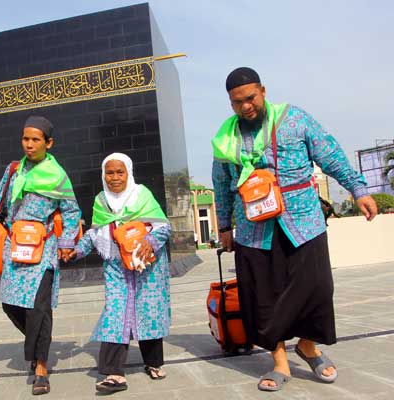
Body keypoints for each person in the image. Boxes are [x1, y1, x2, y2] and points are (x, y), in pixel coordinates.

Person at [211, 67, 377, 392]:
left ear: (263, 91)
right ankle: (279, 361)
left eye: (250, 98)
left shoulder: (294, 119)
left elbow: (329, 154)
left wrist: (358, 189)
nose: (246, 107)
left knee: (318, 288)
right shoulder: (225, 138)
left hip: (303, 221)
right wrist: (226, 226)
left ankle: (309, 346)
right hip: (253, 229)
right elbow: (221, 184)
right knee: (263, 298)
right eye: (236, 102)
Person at [0, 115, 81, 396]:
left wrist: (66, 242)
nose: (29, 144)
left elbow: (72, 211)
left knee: (39, 309)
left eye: (36, 139)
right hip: (13, 248)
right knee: (10, 306)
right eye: (26, 138)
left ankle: (41, 367)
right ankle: (39, 344)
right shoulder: (13, 171)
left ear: (49, 143)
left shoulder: (58, 176)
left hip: (44, 249)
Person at [68, 153, 172, 394]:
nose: (114, 177)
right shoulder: (100, 200)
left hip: (147, 265)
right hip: (116, 266)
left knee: (148, 310)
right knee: (115, 312)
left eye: (119, 172)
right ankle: (114, 373)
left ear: (129, 173)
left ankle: (154, 362)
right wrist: (76, 252)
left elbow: (163, 225)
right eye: (110, 172)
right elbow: (95, 233)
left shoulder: (142, 194)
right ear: (103, 175)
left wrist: (150, 241)